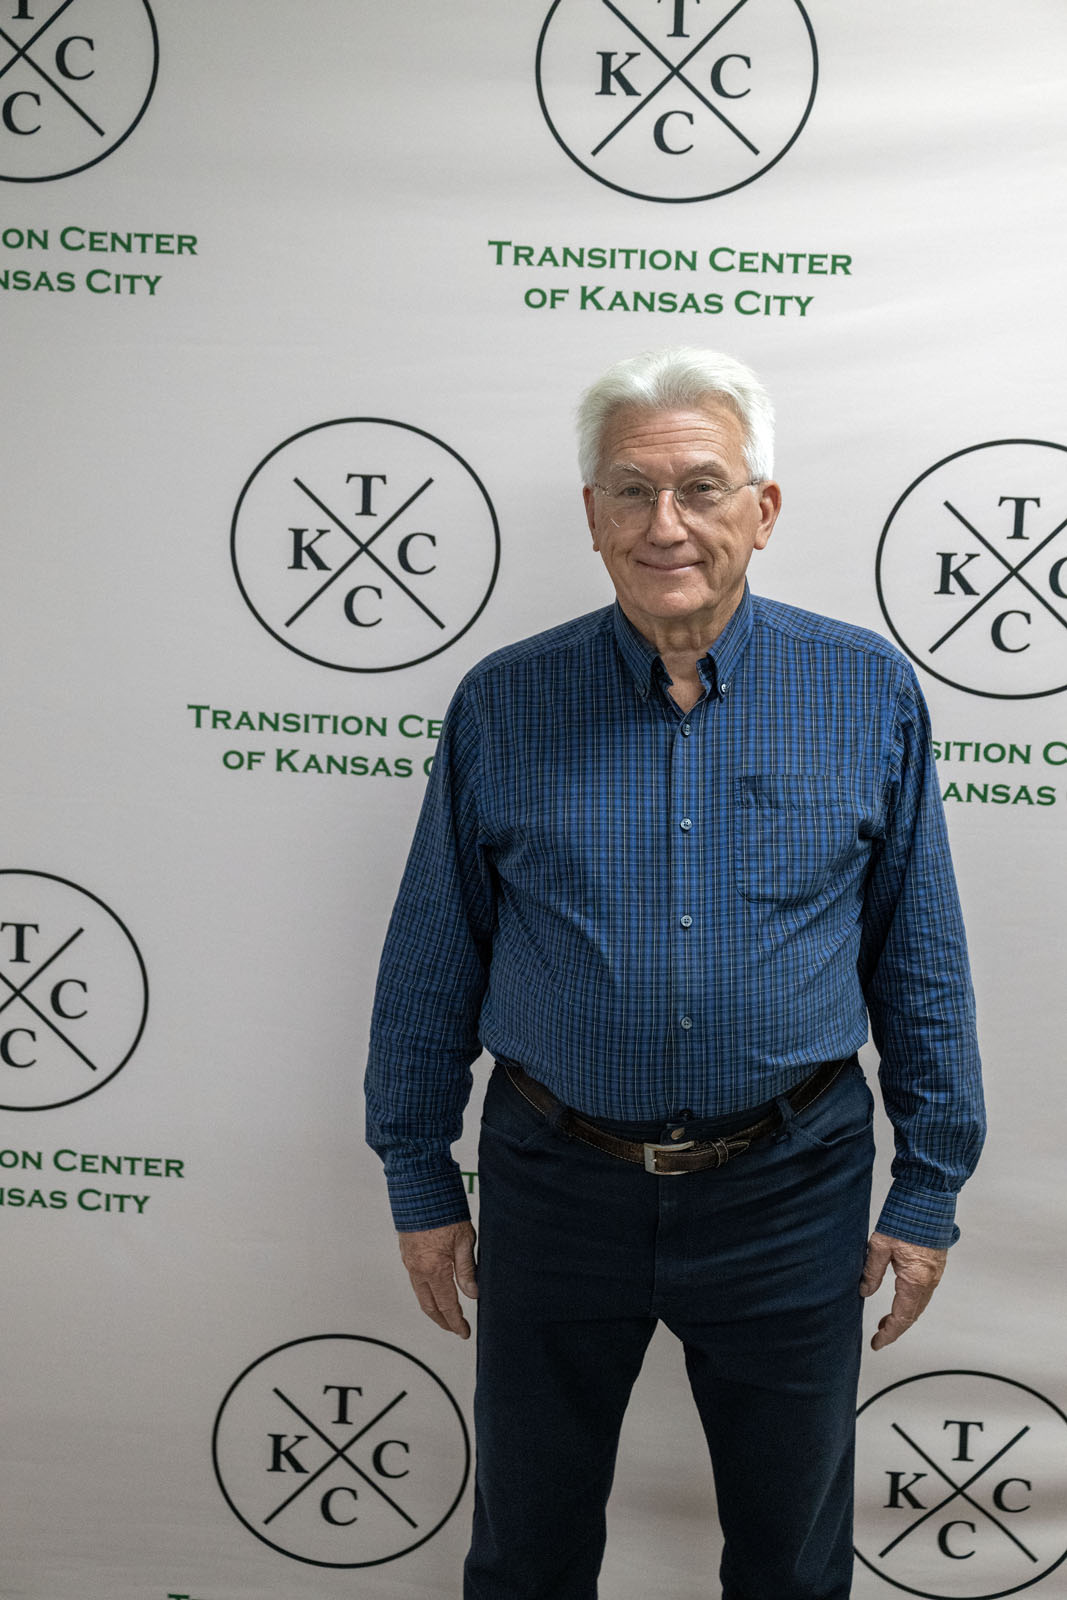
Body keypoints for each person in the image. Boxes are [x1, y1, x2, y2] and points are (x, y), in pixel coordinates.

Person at [365, 347, 984, 1600]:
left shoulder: (865, 691)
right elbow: (434, 953)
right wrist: (417, 1171)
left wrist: (928, 1187)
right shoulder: (502, 703)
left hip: (790, 1188)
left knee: (790, 1559)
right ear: (590, 516)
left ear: (761, 508)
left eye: (701, 487)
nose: (666, 524)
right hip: (553, 1185)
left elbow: (918, 955)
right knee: (527, 1551)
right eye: (631, 492)